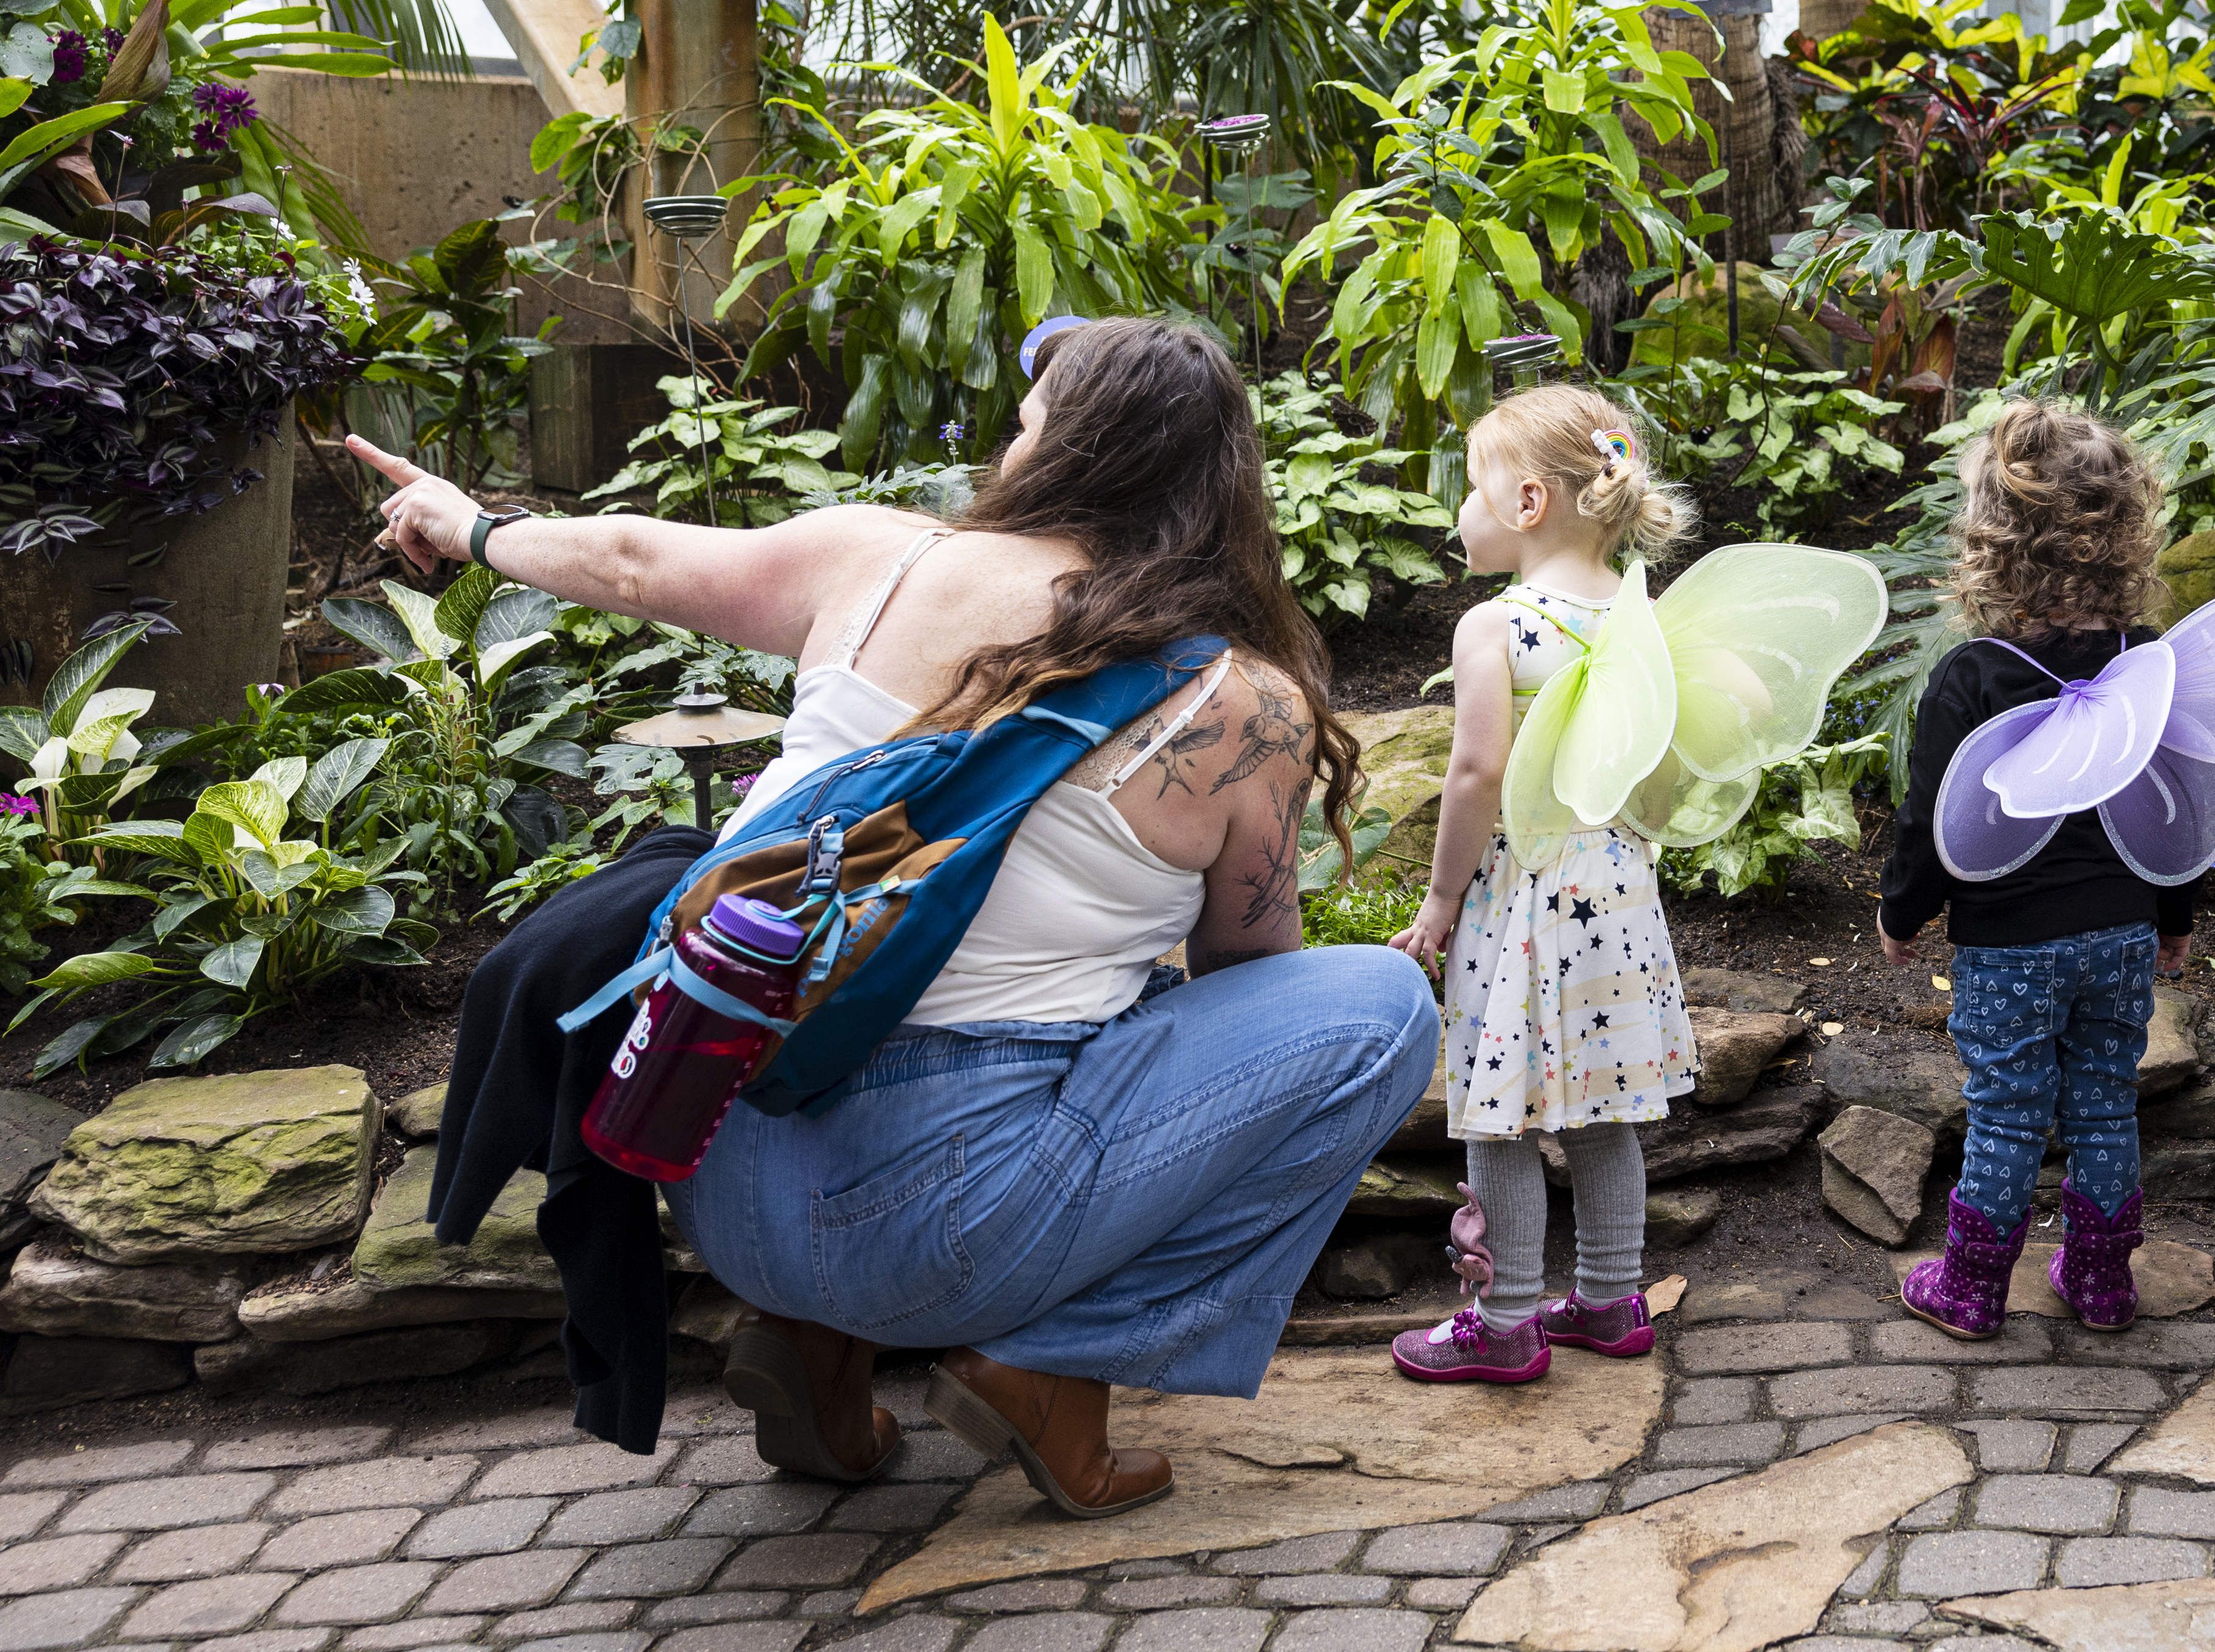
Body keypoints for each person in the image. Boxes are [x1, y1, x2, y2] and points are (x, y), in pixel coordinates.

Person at [359, 317, 1438, 1516]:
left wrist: (472, 526)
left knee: (872, 971)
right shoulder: (1243, 708)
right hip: (942, 1234)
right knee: (1382, 1010)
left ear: (1059, 453)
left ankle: (811, 1347)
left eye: (1025, 427)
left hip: (712, 1168)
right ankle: (1053, 1369)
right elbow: (1254, 979)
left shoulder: (877, 556)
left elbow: (627, 561)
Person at [1385, 386, 1704, 1384]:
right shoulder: (1642, 615)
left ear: (1528, 503)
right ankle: (1612, 1301)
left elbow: (1477, 775)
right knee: (1602, 1110)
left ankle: (1508, 1318)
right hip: (1616, 892)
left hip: (1521, 898)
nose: (1460, 517)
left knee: (1501, 1110)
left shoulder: (1497, 627)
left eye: (1471, 493)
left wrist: (1440, 901)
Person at [1879, 400, 2196, 1339]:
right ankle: (2101, 1282)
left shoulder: (1972, 676)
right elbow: (2176, 810)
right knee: (2104, 1100)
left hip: (2009, 944)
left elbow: (1931, 819)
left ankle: (1973, 1286)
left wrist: (1904, 913)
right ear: (2127, 532)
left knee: (2008, 1112)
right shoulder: (2149, 664)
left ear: (1991, 539)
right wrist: (2176, 913)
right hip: (2121, 931)